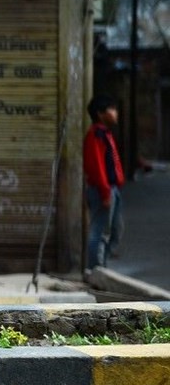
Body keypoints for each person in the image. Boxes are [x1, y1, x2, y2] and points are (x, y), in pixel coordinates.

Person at [83, 94, 125, 270]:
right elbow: (97, 167)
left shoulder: (105, 134)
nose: (115, 113)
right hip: (103, 189)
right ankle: (95, 269)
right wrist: (105, 192)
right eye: (111, 109)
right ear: (100, 113)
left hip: (112, 188)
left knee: (115, 229)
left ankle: (101, 265)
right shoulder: (96, 135)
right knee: (101, 231)